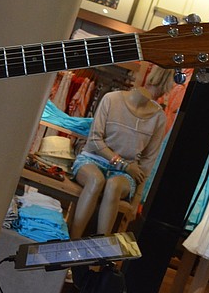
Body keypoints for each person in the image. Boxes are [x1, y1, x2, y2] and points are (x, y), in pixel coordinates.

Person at [68, 65, 170, 238]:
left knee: (114, 185)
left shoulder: (159, 118)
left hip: (126, 173)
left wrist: (136, 201)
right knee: (96, 180)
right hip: (93, 160)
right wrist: (123, 164)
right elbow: (94, 141)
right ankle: (71, 242)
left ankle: (100, 250)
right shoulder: (112, 99)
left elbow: (147, 162)